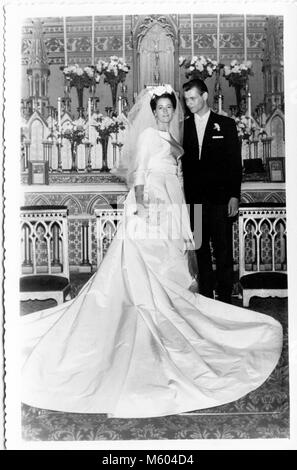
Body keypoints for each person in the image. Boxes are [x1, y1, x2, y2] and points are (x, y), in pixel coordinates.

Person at [21, 85, 282, 419]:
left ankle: (178, 319)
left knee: (177, 263)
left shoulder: (176, 136)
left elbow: (184, 170)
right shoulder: (146, 136)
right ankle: (145, 326)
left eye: (169, 108)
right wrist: (143, 207)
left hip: (176, 203)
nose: (165, 112)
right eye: (159, 108)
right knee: (146, 267)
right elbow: (140, 174)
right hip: (153, 206)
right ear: (152, 109)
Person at [182, 78, 242, 304]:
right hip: (194, 200)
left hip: (220, 199)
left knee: (223, 250)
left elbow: (235, 163)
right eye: (186, 99)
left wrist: (234, 195)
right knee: (200, 251)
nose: (189, 103)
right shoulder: (183, 127)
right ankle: (206, 298)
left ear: (205, 96)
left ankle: (226, 298)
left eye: (193, 98)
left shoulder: (225, 124)